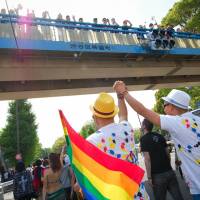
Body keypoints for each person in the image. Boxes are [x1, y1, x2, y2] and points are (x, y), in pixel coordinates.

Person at [113, 81, 200, 200]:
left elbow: (144, 111)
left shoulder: (177, 122)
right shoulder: (196, 119)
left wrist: (124, 93)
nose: (163, 106)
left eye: (165, 104)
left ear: (173, 107)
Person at [87, 92, 148, 199]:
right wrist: (120, 97)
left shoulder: (92, 141)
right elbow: (123, 115)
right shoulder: (127, 128)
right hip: (140, 194)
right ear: (113, 114)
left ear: (94, 116)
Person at [140, 119, 183, 200]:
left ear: (144, 126)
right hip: (169, 171)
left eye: (142, 124)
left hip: (157, 175)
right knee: (178, 197)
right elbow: (167, 153)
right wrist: (169, 167)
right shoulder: (160, 136)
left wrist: (149, 177)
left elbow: (147, 159)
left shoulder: (143, 139)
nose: (141, 126)